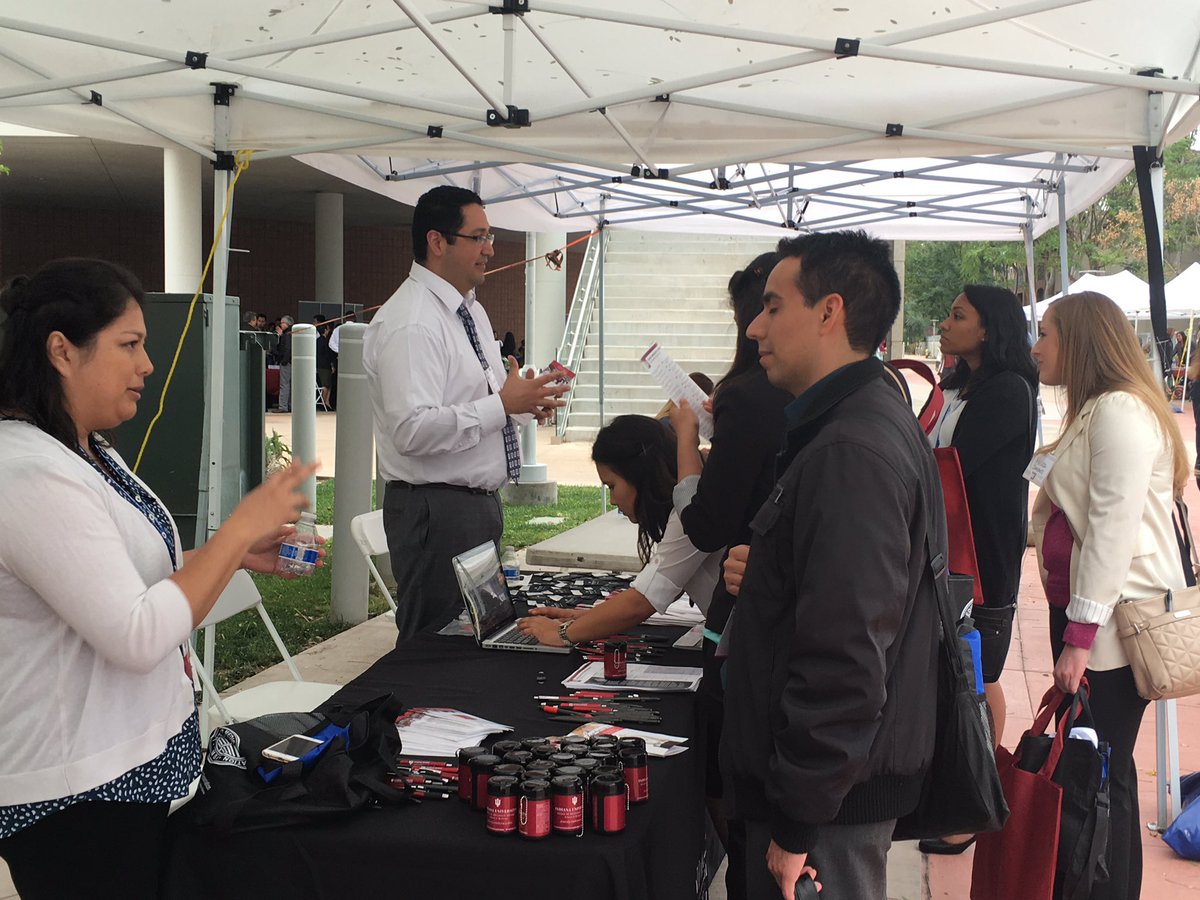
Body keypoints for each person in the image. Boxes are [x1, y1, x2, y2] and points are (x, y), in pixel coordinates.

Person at [0, 258, 319, 900]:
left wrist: (229, 553)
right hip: (78, 791)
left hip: (134, 769)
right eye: (130, 345)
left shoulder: (87, 447)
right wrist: (233, 533)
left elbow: (119, 575)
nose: (147, 364)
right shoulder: (25, 470)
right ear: (62, 351)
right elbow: (137, 633)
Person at [721, 231, 944, 900]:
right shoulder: (854, 419)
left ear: (829, 313)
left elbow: (846, 656)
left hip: (827, 805)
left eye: (772, 305)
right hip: (827, 790)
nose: (756, 327)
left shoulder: (853, 446)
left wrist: (796, 822)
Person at [1030, 292, 1188, 900]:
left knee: (1107, 775)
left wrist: (1078, 638)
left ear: (1081, 341)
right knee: (1102, 770)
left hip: (1110, 634)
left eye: (1046, 333)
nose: (1037, 347)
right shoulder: (1098, 408)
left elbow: (1111, 529)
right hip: (1091, 625)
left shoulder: (1119, 410)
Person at [363, 185, 569, 640]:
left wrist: (525, 399)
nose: (491, 249)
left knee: (473, 642)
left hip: (472, 507)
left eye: (489, 236)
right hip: (435, 511)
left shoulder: (467, 311)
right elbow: (411, 430)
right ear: (437, 242)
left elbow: (488, 399)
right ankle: (418, 713)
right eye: (478, 237)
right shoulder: (412, 322)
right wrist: (502, 405)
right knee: (434, 646)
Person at [661, 251, 790, 898]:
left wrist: (688, 438)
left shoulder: (748, 397)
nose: (755, 331)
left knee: (738, 784)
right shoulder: (843, 399)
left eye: (770, 312)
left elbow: (708, 527)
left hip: (747, 626)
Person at [918, 284, 1038, 856]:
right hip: (953, 556)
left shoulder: (1008, 392)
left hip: (984, 559)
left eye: (957, 315)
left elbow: (954, 466)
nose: (945, 322)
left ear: (988, 328)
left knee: (980, 677)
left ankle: (975, 806)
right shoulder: (958, 388)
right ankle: (962, 794)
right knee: (961, 675)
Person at [516, 415, 721, 646]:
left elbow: (641, 602)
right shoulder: (688, 505)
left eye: (612, 486)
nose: (612, 500)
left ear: (640, 474)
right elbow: (662, 586)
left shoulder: (690, 511)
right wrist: (587, 620)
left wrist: (562, 634)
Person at [272, 314, 294, 412]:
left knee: (284, 384)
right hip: (292, 361)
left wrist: (283, 361)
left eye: (282, 323)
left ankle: (283, 406)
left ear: (287, 324)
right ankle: (290, 405)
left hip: (286, 361)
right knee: (291, 384)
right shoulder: (293, 332)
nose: (281, 325)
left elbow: (287, 348)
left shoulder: (287, 335)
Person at [315, 318, 335, 410]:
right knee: (326, 385)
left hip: (319, 365)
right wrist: (331, 365)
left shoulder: (317, 341)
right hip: (324, 366)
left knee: (327, 385)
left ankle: (326, 402)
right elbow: (327, 355)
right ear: (325, 330)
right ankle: (324, 402)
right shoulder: (324, 341)